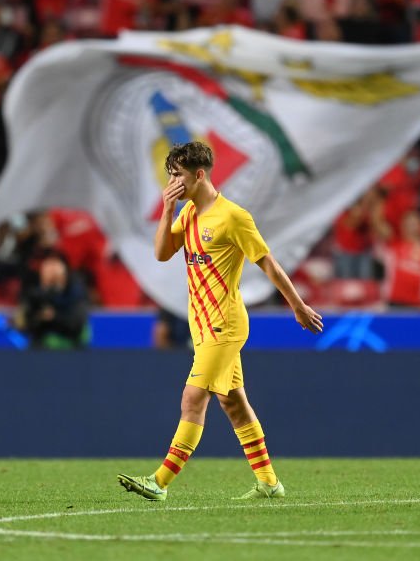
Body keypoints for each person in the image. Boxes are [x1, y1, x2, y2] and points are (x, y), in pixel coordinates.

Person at [117, 142, 323, 502]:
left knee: (192, 398)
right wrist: (167, 209)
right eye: (169, 176)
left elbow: (268, 263)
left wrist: (299, 306)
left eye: (177, 175)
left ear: (199, 175)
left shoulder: (233, 217)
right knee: (233, 403)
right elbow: (163, 253)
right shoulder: (189, 213)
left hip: (224, 324)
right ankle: (270, 484)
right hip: (201, 324)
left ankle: (160, 482)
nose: (172, 183)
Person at [16, 253, 90, 349]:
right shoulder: (34, 294)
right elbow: (25, 324)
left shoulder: (77, 293)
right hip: (41, 349)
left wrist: (54, 317)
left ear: (65, 273)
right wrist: (35, 317)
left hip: (72, 348)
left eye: (54, 267)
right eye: (47, 268)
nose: (51, 272)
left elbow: (76, 323)